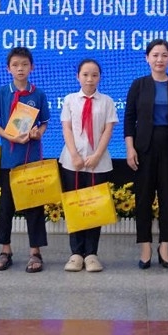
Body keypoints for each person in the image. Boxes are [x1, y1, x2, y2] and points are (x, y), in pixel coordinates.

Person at [124, 39, 168, 269]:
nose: (159, 59)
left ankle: (165, 246)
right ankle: (145, 248)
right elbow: (129, 118)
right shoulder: (138, 85)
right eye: (155, 55)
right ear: (147, 58)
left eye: (164, 55)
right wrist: (130, 147)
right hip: (144, 146)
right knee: (143, 197)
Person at [0, 47, 51, 273]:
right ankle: (6, 250)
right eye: (15, 65)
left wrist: (38, 133)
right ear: (8, 68)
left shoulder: (38, 94)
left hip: (31, 158)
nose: (20, 68)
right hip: (9, 158)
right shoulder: (2, 93)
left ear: (32, 67)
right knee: (7, 206)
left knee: (34, 206)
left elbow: (44, 122)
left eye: (24, 64)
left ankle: (35, 252)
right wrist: (8, 135)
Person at [59, 59, 118, 273]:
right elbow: (66, 129)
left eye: (94, 74)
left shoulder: (107, 101)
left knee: (94, 208)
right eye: (85, 74)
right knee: (74, 206)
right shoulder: (69, 100)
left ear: (99, 77)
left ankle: (92, 253)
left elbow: (108, 131)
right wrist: (74, 155)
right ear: (78, 76)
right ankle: (75, 253)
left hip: (98, 162)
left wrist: (97, 155)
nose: (89, 79)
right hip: (71, 161)